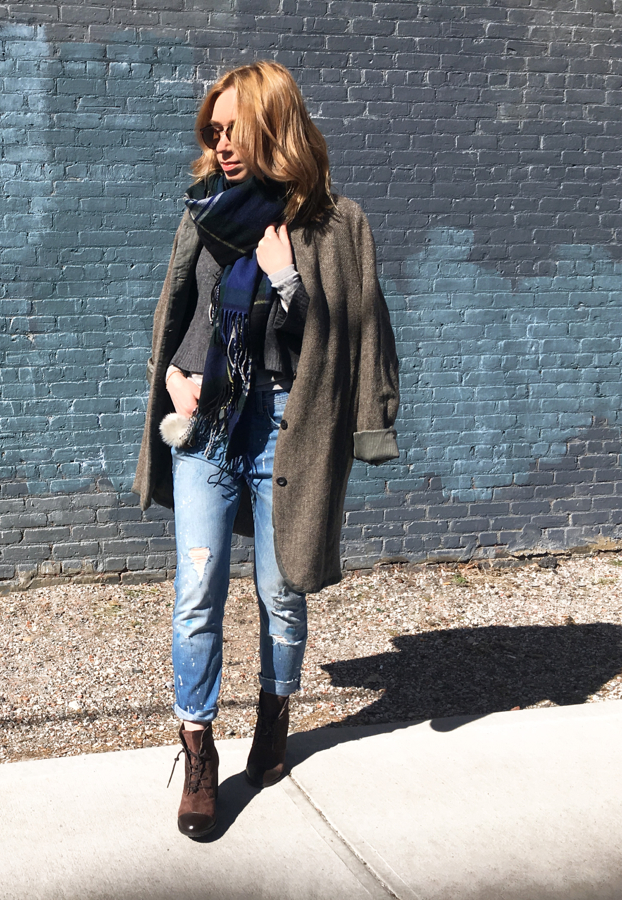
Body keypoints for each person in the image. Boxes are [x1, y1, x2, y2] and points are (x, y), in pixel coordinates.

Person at [132, 61, 401, 838]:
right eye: (211, 132)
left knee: (280, 593)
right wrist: (178, 377)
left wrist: (289, 283)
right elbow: (187, 313)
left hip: (288, 426)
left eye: (233, 129)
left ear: (273, 124)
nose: (220, 144)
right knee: (196, 596)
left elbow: (356, 334)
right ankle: (199, 754)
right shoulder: (205, 213)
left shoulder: (336, 225)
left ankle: (274, 721)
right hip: (208, 428)